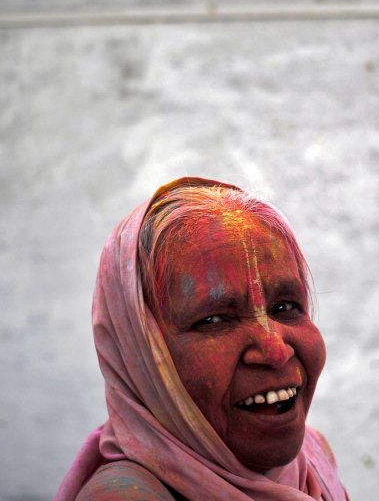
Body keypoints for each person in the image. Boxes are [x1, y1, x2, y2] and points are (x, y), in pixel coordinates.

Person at [54, 177, 348, 500]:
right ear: (142, 362)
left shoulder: (314, 456)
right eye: (214, 319)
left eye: (285, 307)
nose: (275, 350)